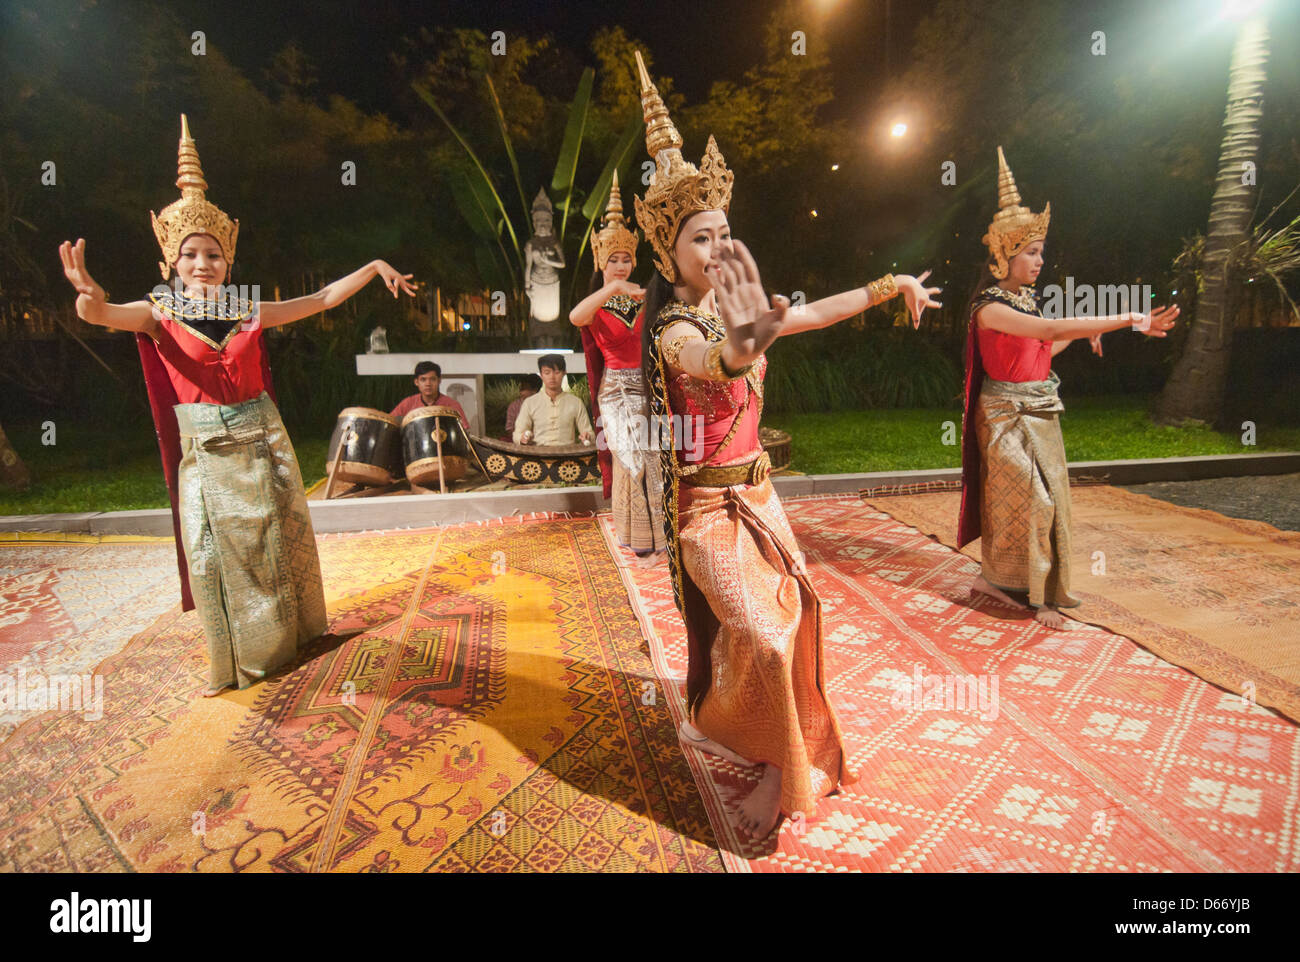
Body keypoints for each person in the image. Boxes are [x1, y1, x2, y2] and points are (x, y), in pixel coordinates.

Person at [631, 52, 942, 839]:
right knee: (764, 638)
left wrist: (891, 285)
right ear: (670, 252)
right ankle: (765, 754)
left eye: (726, 233)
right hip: (710, 510)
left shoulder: (737, 308)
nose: (718, 247)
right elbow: (717, 359)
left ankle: (774, 755)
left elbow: (813, 312)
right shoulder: (672, 330)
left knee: (796, 618)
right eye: (702, 237)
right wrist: (746, 340)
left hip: (761, 496)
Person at [58, 115, 418, 696]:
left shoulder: (249, 309)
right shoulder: (157, 313)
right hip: (211, 454)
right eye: (191, 255)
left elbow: (321, 298)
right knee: (222, 558)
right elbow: (104, 317)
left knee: (282, 542)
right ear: (170, 264)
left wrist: (375, 267)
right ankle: (248, 658)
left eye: (214, 255)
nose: (203, 264)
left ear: (229, 260)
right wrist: (90, 300)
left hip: (265, 440)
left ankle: (297, 638)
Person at [958, 147, 1179, 629]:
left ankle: (1023, 585)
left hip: (1039, 408)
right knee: (1024, 499)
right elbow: (1048, 334)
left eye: (1041, 252)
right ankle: (1006, 582)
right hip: (1005, 417)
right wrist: (1128, 319)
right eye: (1032, 253)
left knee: (1051, 499)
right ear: (1006, 255)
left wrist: (1082, 335)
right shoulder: (989, 308)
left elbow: (1039, 353)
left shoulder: (1025, 304)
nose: (1040, 261)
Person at [570, 171, 665, 565]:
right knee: (630, 457)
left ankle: (659, 536)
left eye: (627, 258)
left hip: (648, 388)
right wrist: (611, 286)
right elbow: (576, 318)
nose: (622, 265)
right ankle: (636, 536)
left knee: (655, 457)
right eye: (614, 259)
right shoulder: (596, 303)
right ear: (600, 260)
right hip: (615, 392)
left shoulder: (647, 297)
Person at [513, 354, 594, 445]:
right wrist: (522, 438)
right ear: (541, 375)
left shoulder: (576, 402)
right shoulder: (530, 403)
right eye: (547, 373)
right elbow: (517, 434)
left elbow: (589, 433)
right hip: (538, 455)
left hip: (568, 455)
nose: (552, 377)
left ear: (564, 373)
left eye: (556, 372)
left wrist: (587, 436)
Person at [390, 360, 468, 425]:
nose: (428, 384)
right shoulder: (408, 403)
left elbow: (464, 431)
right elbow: (390, 422)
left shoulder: (451, 405)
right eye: (423, 380)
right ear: (416, 382)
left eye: (432, 379)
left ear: (439, 380)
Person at [503, 373, 542, 438]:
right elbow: (509, 429)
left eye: (524, 388)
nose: (520, 391)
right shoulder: (514, 406)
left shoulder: (543, 404)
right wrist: (520, 437)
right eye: (521, 388)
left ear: (535, 390)